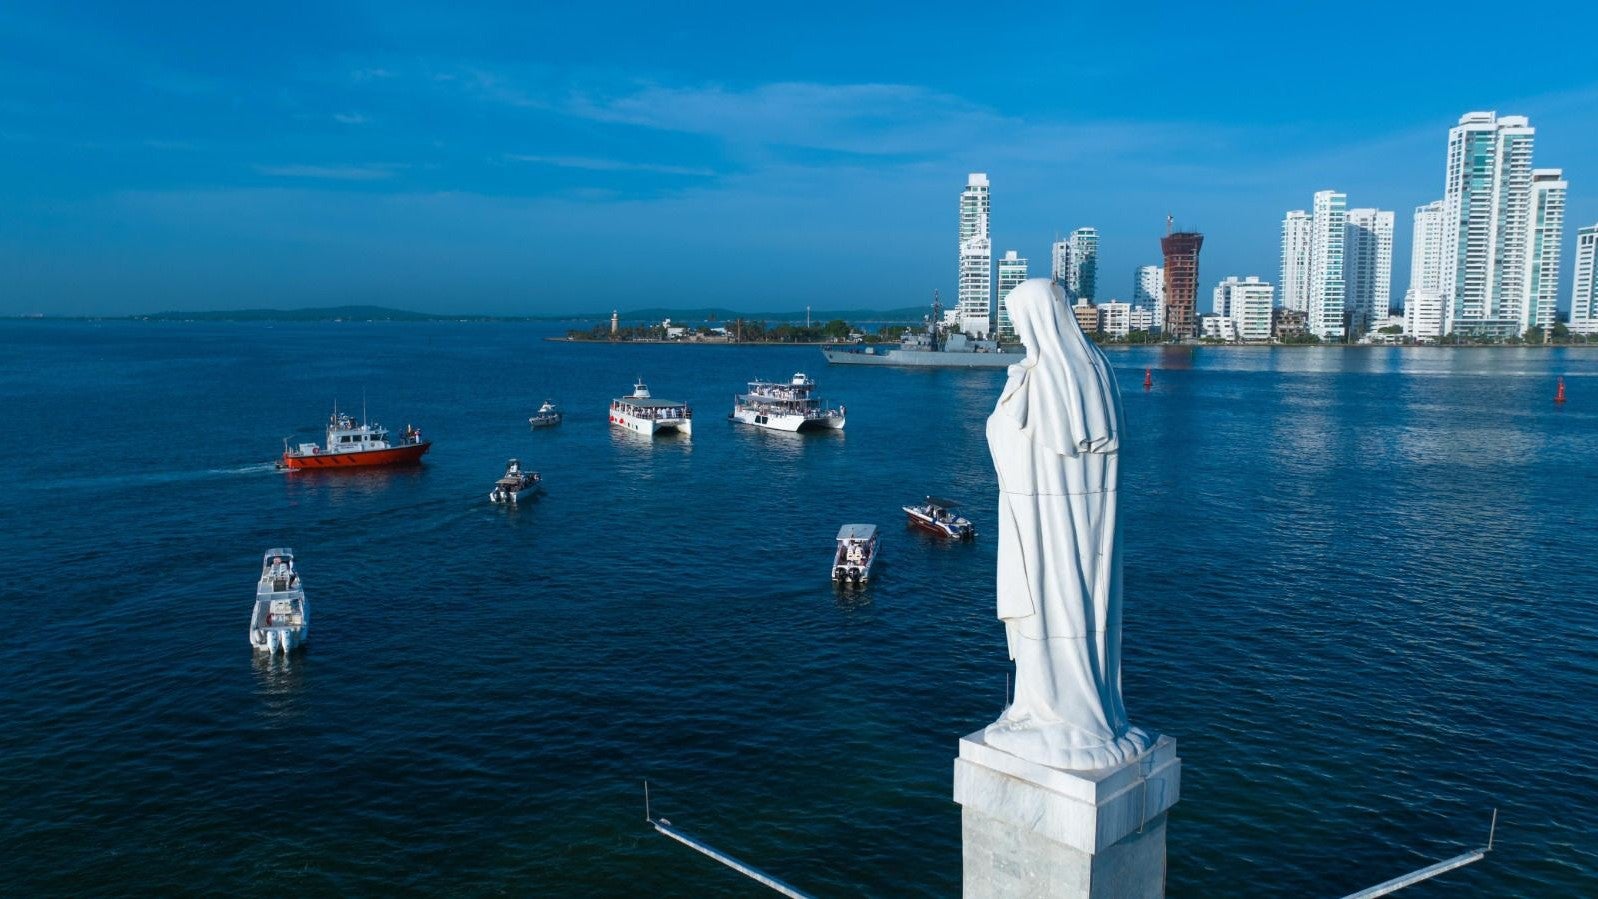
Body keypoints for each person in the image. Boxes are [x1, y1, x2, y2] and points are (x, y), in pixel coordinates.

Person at [982, 279, 1153, 770]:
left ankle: (1057, 716)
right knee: (1084, 614)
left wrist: (1008, 405)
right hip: (1091, 527)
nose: (1019, 335)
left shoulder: (1040, 379)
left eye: (1019, 324)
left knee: (1050, 611)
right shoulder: (1095, 370)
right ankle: (1078, 707)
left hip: (1045, 528)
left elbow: (1010, 440)